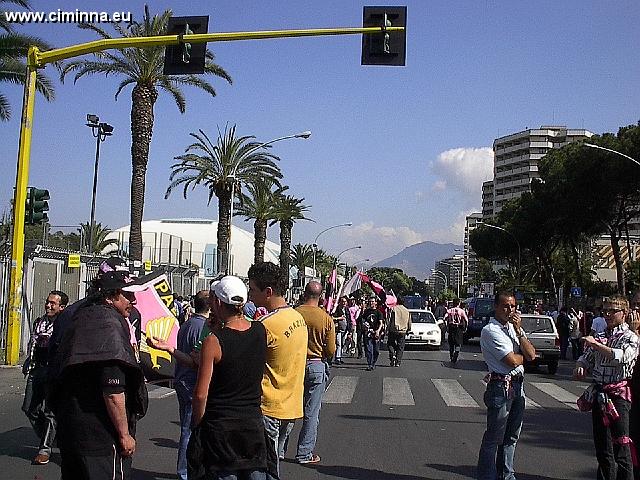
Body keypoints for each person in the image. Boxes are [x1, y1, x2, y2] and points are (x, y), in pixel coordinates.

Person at [52, 271, 148, 480]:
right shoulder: (108, 327)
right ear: (110, 296)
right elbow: (113, 391)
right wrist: (124, 434)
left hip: (72, 431)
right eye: (128, 295)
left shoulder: (80, 318)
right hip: (101, 438)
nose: (133, 300)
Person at [188, 276, 276, 480]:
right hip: (252, 425)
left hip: (221, 429)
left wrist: (199, 426)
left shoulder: (213, 341)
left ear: (218, 303)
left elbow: (200, 395)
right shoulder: (260, 330)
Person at [247, 262, 308, 477]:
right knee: (275, 460)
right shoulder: (298, 318)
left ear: (268, 292)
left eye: (253, 289)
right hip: (290, 404)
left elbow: (247, 363)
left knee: (262, 468)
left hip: (268, 405)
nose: (250, 294)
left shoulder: (265, 325)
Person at [147, 290, 210, 480]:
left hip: (182, 378)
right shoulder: (202, 327)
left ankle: (186, 469)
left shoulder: (187, 324)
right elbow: (197, 358)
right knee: (190, 430)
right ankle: (185, 471)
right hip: (192, 381)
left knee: (186, 427)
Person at [575, 294, 639, 480]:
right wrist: (581, 365)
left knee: (622, 446)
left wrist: (595, 345)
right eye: (605, 311)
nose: (608, 315)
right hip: (600, 394)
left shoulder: (630, 337)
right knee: (603, 448)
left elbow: (620, 357)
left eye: (613, 311)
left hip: (618, 396)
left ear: (624, 313)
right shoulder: (601, 336)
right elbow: (586, 357)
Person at [477, 291, 536, 480]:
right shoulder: (490, 330)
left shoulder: (513, 329)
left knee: (512, 436)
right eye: (505, 306)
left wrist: (519, 332)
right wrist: (522, 358)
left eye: (513, 306)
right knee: (494, 437)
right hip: (500, 387)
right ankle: (487, 475)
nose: (510, 310)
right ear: (496, 307)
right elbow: (512, 360)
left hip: (518, 386)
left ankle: (507, 475)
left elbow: (531, 354)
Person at [288, 280, 336, 464]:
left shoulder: (294, 314)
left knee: (289, 409)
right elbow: (331, 350)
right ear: (321, 296)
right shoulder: (325, 318)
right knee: (311, 412)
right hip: (316, 365)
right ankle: (304, 453)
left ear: (304, 294)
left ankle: (280, 449)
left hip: (294, 364)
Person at [22, 289, 68, 465]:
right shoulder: (38, 322)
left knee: (50, 412)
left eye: (53, 303)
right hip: (37, 370)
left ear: (62, 307)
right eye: (48, 302)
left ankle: (45, 448)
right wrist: (29, 361)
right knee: (29, 408)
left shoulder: (63, 325)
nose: (49, 305)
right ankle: (49, 436)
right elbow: (33, 344)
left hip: (53, 371)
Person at [360, 298, 384, 371]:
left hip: (376, 333)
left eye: (372, 301)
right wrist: (364, 326)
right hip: (368, 333)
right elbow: (363, 320)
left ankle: (373, 362)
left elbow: (381, 323)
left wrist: (378, 331)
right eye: (370, 302)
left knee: (376, 350)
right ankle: (370, 364)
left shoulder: (378, 312)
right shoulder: (366, 312)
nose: (371, 303)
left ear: (375, 303)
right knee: (369, 349)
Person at [387, 297, 411, 367]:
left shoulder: (393, 309)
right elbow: (409, 321)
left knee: (390, 343)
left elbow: (389, 319)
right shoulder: (406, 310)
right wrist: (409, 329)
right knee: (401, 346)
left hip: (393, 329)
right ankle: (398, 361)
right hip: (403, 331)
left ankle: (392, 354)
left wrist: (387, 328)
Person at [444, 298, 469, 364]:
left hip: (451, 328)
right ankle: (456, 354)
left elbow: (445, 318)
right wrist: (465, 327)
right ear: (459, 303)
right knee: (458, 344)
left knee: (451, 344)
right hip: (458, 329)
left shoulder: (449, 311)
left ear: (453, 303)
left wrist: (447, 325)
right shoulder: (461, 311)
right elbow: (466, 320)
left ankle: (451, 356)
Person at [332, 297, 348, 365]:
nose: (344, 303)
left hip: (345, 329)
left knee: (343, 343)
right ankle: (337, 358)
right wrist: (339, 318)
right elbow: (332, 317)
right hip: (338, 329)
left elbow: (349, 319)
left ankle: (340, 356)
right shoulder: (337, 309)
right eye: (342, 301)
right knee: (338, 344)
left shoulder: (346, 310)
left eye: (345, 301)